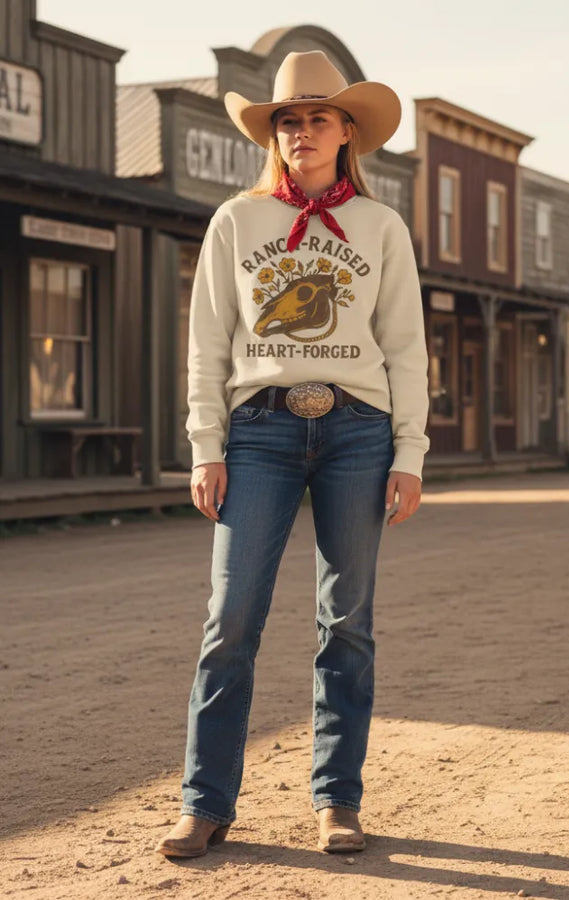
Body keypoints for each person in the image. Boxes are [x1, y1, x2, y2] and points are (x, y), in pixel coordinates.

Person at [156, 49, 430, 858]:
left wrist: (409, 453)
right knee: (231, 618)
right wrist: (206, 445)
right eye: (288, 120)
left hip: (358, 432)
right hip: (260, 431)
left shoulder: (380, 227)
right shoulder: (236, 221)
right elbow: (208, 344)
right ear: (272, 134)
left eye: (318, 117)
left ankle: (337, 801)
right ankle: (204, 803)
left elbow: (405, 348)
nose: (302, 131)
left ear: (347, 132)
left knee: (346, 622)